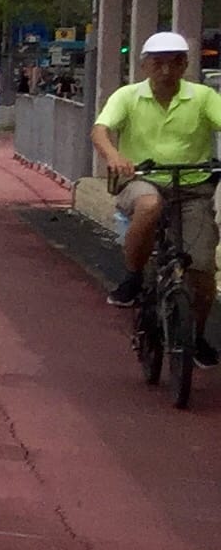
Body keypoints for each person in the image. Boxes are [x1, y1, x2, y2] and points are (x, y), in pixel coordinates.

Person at [92, 30, 221, 363]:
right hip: (142, 179)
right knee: (150, 205)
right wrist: (114, 156)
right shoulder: (128, 96)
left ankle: (196, 337)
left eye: (174, 63)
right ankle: (133, 276)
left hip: (192, 185)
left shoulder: (203, 97)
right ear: (145, 66)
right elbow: (101, 129)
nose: (166, 71)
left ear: (185, 65)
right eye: (158, 64)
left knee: (203, 272)